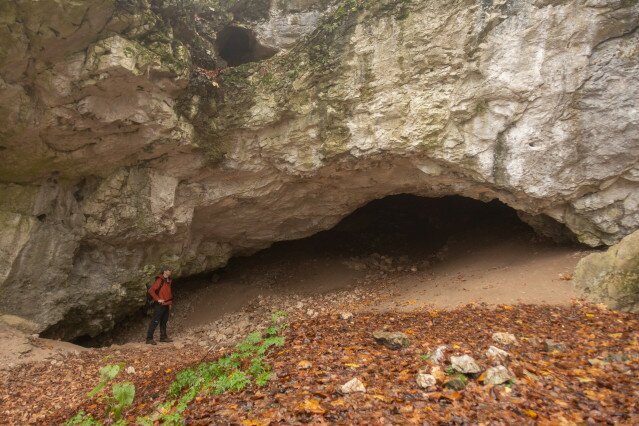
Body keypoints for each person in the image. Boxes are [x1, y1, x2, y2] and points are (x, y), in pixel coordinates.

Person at [146, 266, 174, 345]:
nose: (171, 271)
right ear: (165, 271)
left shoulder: (169, 280)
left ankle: (163, 337)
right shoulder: (159, 280)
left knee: (164, 321)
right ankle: (149, 338)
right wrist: (158, 299)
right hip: (160, 305)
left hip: (166, 304)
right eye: (169, 270)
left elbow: (168, 293)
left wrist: (170, 303)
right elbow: (151, 290)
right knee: (155, 321)